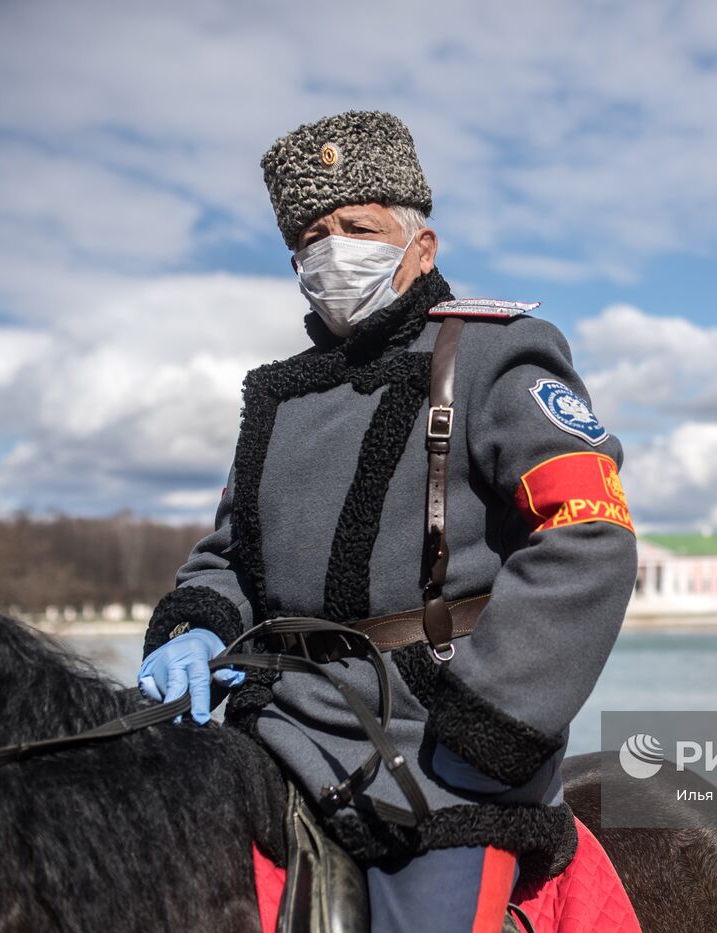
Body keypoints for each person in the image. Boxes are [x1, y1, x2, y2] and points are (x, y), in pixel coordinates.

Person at [136, 110, 638, 932]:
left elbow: (587, 533)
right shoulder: (274, 397)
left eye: (357, 227)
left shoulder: (497, 351)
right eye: (312, 236)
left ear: (422, 248)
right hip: (277, 723)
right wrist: (190, 626)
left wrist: (491, 723)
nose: (333, 250)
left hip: (439, 743)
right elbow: (228, 556)